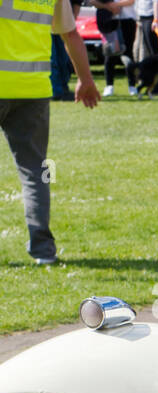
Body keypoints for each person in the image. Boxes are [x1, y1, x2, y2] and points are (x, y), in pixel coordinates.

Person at [1, 0, 99, 266]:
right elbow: (70, 34)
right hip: (33, 89)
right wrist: (86, 80)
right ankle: (44, 251)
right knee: (35, 171)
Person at [91, 0, 139, 96]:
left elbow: (131, 1)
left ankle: (132, 85)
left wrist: (115, 5)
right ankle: (109, 85)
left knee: (128, 53)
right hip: (109, 20)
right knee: (109, 54)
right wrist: (108, 7)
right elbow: (92, 1)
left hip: (127, 20)